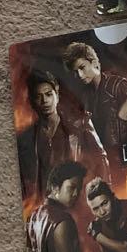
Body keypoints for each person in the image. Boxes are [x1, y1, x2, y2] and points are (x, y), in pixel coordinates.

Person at [18, 69, 108, 202]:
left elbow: (100, 159)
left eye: (48, 94)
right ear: (31, 101)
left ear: (57, 94)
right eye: (38, 96)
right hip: (43, 202)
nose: (44, 101)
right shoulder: (27, 138)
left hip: (77, 199)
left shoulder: (79, 125)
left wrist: (100, 194)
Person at [61, 41, 127, 154]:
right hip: (104, 155)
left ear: (94, 63)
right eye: (75, 72)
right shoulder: (85, 96)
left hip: (123, 152)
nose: (80, 75)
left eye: (82, 67)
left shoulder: (117, 84)